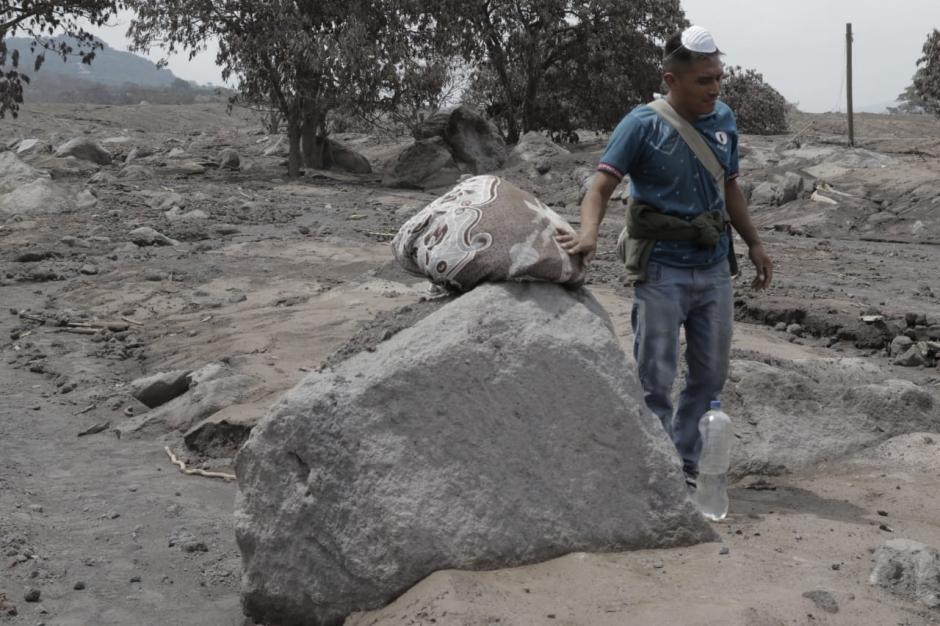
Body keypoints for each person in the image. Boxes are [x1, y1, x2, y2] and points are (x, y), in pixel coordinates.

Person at [555, 25, 773, 487]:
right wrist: (589, 232)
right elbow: (600, 186)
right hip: (661, 270)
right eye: (703, 80)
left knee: (710, 376)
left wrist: (753, 242)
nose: (714, 89)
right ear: (671, 80)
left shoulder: (724, 120)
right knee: (655, 375)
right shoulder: (641, 124)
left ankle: (687, 465)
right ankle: (655, 468)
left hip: (714, 268)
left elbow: (730, 185)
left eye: (718, 79)